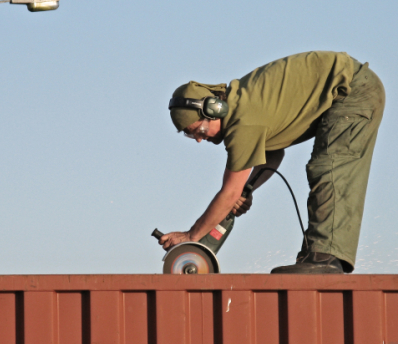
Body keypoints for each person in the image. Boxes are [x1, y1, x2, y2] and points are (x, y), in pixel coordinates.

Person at [158, 51, 385, 274]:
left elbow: (228, 193)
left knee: (330, 167)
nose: (199, 139)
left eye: (199, 129)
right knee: (324, 168)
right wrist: (247, 191)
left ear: (214, 108)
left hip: (354, 89)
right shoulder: (242, 108)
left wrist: (191, 236)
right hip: (347, 87)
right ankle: (315, 254)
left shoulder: (243, 122)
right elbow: (273, 155)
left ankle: (326, 256)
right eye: (191, 135)